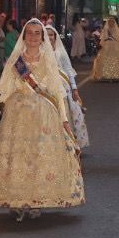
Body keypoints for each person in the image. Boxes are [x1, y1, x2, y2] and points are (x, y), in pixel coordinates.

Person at [0, 19, 84, 219]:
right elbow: (6, 90)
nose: (33, 37)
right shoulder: (16, 60)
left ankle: (37, 200)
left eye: (37, 33)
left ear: (42, 38)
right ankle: (16, 198)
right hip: (17, 114)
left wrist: (64, 118)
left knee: (38, 156)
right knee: (17, 157)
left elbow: (57, 92)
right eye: (30, 33)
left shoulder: (48, 60)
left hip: (44, 115)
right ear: (24, 36)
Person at [44, 23, 89, 151]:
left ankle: (69, 142)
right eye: (46, 35)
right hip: (47, 88)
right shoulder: (40, 52)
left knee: (67, 114)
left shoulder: (60, 52)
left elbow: (68, 70)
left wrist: (74, 88)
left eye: (51, 35)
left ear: (55, 36)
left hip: (64, 88)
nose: (49, 37)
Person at [93, 17, 119, 81]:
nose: (111, 23)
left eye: (112, 22)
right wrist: (103, 42)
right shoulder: (105, 30)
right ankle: (105, 74)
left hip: (115, 45)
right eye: (110, 22)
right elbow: (102, 38)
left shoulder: (116, 30)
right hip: (107, 45)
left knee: (117, 58)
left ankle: (117, 74)